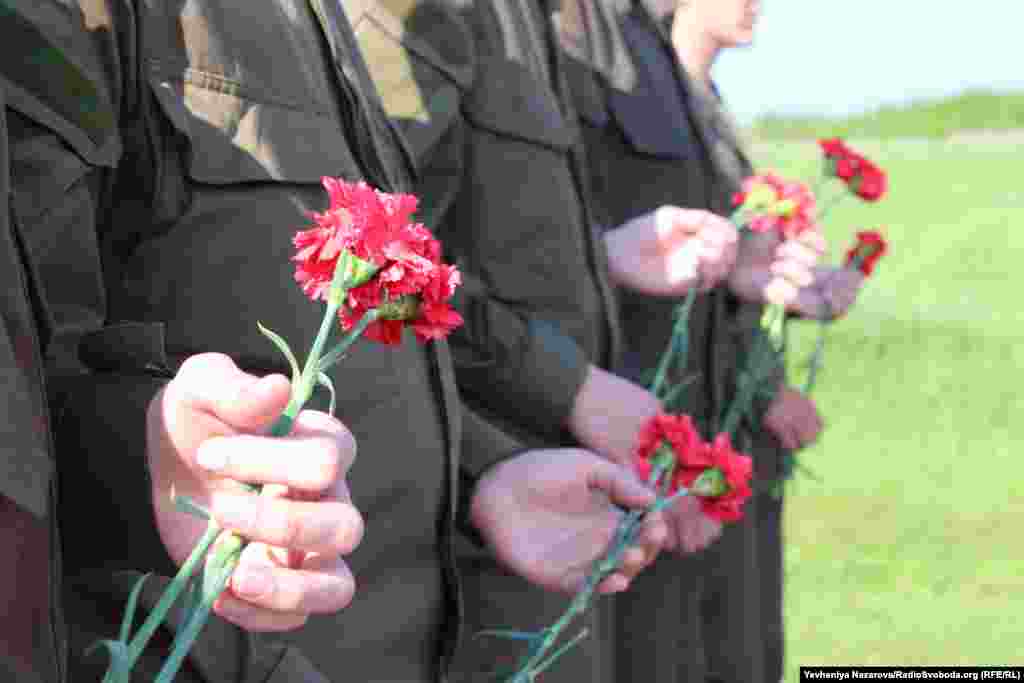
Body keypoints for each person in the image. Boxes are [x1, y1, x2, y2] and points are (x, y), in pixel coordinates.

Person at [5, 1, 668, 681]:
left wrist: (482, 475)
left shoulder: (314, 26)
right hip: (215, 644)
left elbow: (374, 342)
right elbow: (29, 364)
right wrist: (144, 460)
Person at [354, 1, 824, 681]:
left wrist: (603, 256)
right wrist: (569, 390)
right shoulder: (450, 13)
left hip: (566, 497)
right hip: (484, 515)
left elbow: (500, 246)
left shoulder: (538, 23)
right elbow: (373, 260)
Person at [557, 0, 863, 680]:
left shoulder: (652, 59)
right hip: (632, 446)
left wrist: (770, 285)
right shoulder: (587, 44)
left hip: (699, 439)